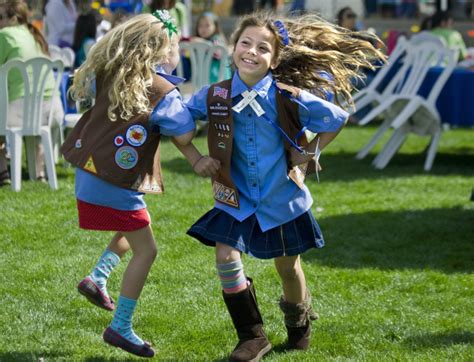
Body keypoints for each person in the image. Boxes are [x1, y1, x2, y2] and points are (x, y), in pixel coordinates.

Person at [183, 12, 384, 361]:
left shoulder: (289, 97)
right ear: (234, 48)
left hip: (282, 197)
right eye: (245, 43)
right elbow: (178, 121)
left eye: (262, 48)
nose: (251, 51)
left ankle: (299, 322)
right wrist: (195, 158)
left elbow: (335, 119)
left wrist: (308, 153)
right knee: (225, 256)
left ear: (274, 60)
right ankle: (252, 337)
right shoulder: (214, 95)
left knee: (288, 268)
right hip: (237, 197)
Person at [60, 11, 220, 358]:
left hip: (89, 173)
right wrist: (194, 112)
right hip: (113, 182)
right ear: (162, 52)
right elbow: (184, 130)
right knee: (147, 250)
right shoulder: (161, 90)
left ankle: (97, 278)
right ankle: (121, 327)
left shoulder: (110, 73)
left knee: (132, 230)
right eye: (174, 46)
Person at [0, 0, 64, 186]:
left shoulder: (4, 35)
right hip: (51, 112)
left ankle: (2, 171)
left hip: (21, 112)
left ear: (13, 18)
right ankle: (39, 172)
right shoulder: (34, 35)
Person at [192, 11, 231, 83]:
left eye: (207, 25)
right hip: (203, 77)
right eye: (200, 26)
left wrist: (204, 43)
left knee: (218, 92)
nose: (203, 29)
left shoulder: (217, 39)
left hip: (218, 77)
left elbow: (219, 52)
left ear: (215, 27)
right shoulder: (197, 40)